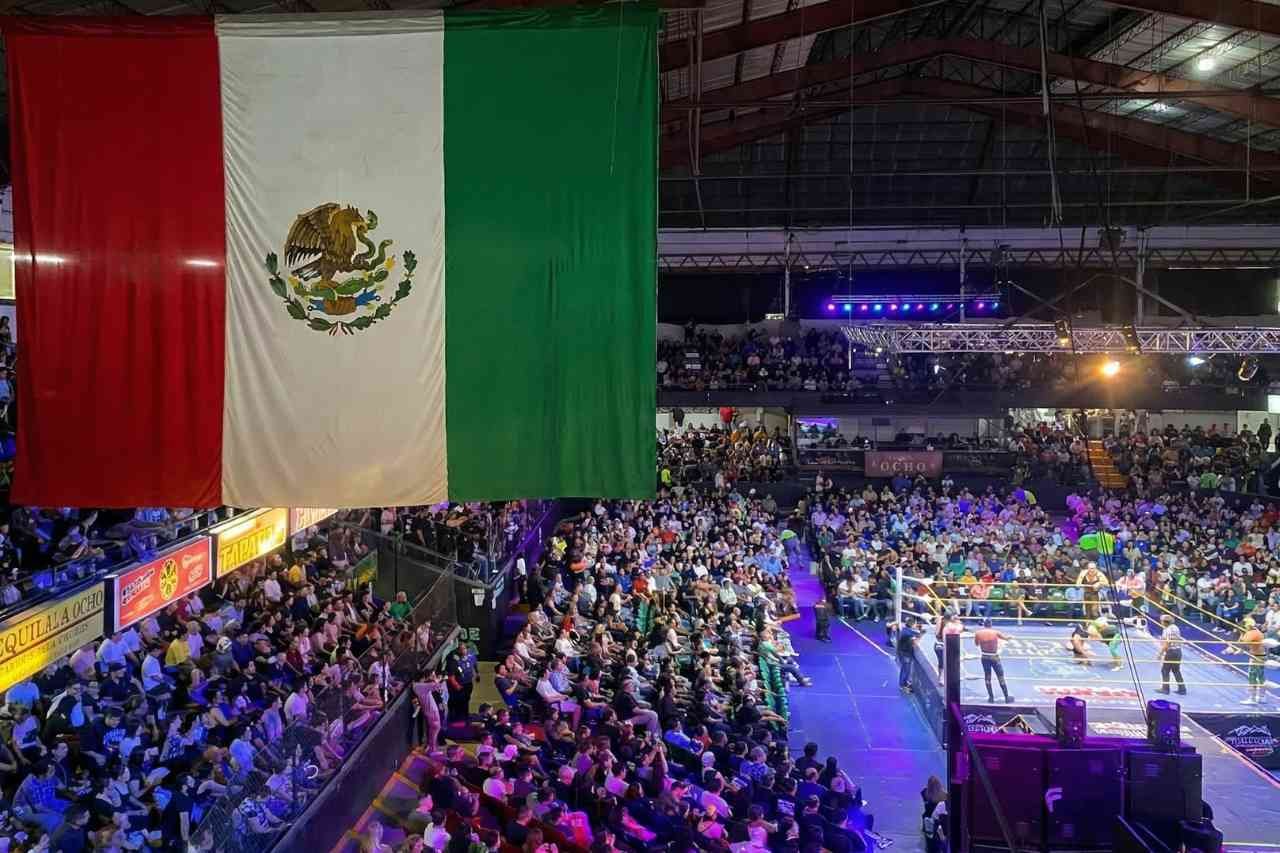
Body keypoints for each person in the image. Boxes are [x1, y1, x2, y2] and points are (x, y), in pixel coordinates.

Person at [973, 618, 1014, 704]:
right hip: (994, 657)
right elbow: (1006, 638)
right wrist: (1011, 637)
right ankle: (1006, 697)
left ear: (984, 624)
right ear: (991, 624)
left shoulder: (978, 633)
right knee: (1001, 677)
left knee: (987, 677)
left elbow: (976, 644)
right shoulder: (995, 632)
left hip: (984, 657)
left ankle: (991, 698)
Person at [1238, 617, 1268, 706]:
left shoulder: (1252, 633)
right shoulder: (1257, 631)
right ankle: (1262, 697)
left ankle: (1252, 698)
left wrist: (1242, 634)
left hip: (1256, 657)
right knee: (1260, 676)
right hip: (1260, 656)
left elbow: (1243, 643)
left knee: (1252, 676)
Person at [1157, 614, 1186, 696]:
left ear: (1165, 622)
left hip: (1171, 652)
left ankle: (1165, 689)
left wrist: (1160, 653)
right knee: (1176, 670)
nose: (1161, 622)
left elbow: (1167, 644)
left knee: (1165, 670)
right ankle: (1182, 689)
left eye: (1162, 621)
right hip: (1178, 651)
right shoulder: (1175, 627)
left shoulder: (1167, 630)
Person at [921, 776, 948, 853]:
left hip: (928, 819)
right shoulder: (944, 795)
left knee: (929, 840)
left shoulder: (925, 793)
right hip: (938, 821)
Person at [895, 617, 920, 693]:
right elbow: (915, 641)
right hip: (904, 654)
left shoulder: (906, 630)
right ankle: (902, 685)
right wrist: (920, 634)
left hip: (904, 652)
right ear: (912, 624)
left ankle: (904, 683)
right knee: (906, 670)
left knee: (906, 669)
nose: (916, 625)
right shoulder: (907, 633)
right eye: (915, 623)